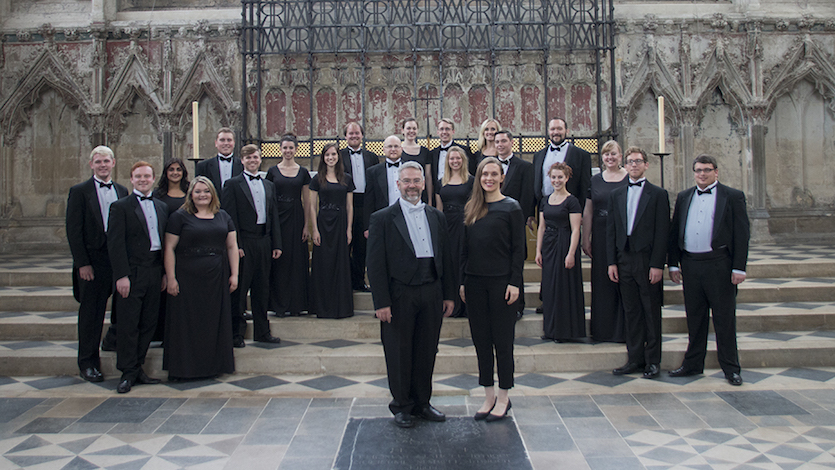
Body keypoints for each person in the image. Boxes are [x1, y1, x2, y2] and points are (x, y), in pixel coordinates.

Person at [367, 161, 456, 429]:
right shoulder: (382, 218)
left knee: (427, 349)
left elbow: (447, 258)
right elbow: (375, 264)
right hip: (399, 293)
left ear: (423, 183)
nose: (412, 186)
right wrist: (381, 301)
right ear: (398, 184)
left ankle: (422, 403)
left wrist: (449, 294)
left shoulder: (436, 216)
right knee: (398, 351)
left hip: (431, 290)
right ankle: (402, 405)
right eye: (406, 181)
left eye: (416, 181)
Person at [668, 154, 749, 386]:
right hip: (691, 265)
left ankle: (731, 368)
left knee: (724, 319)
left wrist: (739, 267)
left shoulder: (732, 196)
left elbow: (742, 234)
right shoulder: (684, 197)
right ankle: (693, 364)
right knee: (695, 318)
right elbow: (675, 232)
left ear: (716, 171)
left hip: (719, 265)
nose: (702, 174)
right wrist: (673, 263)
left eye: (706, 170)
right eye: (698, 170)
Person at [461, 158, 525, 422]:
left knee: (503, 342)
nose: (488, 178)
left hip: (501, 284)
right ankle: (488, 395)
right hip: (475, 283)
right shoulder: (472, 207)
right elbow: (465, 249)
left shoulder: (511, 208)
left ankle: (504, 396)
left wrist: (514, 282)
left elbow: (518, 250)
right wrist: (463, 281)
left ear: (501, 177)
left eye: (493, 174)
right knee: (481, 342)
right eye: (484, 174)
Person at [163, 176, 238, 379]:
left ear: (212, 194)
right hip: (187, 277)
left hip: (216, 277)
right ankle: (186, 368)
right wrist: (171, 277)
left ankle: (213, 366)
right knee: (188, 323)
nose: (202, 195)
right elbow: (169, 248)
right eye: (198, 191)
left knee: (212, 322)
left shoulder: (223, 216)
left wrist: (235, 275)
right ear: (191, 194)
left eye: (206, 191)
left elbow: (231, 246)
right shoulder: (180, 216)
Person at [606, 147, 670, 379]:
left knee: (651, 312)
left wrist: (657, 264)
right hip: (624, 259)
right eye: (630, 162)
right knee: (631, 311)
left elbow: (663, 232)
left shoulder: (658, 194)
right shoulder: (617, 194)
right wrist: (612, 262)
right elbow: (611, 230)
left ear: (646, 165)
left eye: (638, 161)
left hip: (647, 260)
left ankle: (653, 361)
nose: (633, 165)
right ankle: (634, 358)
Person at [66, 146, 128, 382]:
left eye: (106, 161)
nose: (103, 165)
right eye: (98, 161)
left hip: (118, 261)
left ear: (114, 163)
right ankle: (88, 363)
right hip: (93, 262)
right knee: (91, 314)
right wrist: (82, 263)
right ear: (91, 164)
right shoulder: (79, 191)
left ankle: (114, 345)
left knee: (122, 310)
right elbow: (73, 230)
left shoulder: (122, 191)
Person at [107, 161, 168, 393]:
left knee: (149, 322)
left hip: (154, 271)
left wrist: (163, 273)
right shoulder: (120, 207)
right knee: (128, 323)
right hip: (132, 272)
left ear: (153, 179)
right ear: (131, 179)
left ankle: (138, 366)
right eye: (138, 176)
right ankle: (127, 371)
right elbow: (115, 244)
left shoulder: (161, 207)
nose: (143, 180)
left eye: (147, 176)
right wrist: (121, 276)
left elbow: (163, 243)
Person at [222, 144, 283, 347]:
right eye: (248, 158)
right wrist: (236, 245)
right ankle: (235, 334)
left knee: (262, 288)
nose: (252, 160)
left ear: (260, 159)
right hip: (244, 242)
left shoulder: (269, 185)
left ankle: (262, 331)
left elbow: (273, 215)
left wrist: (276, 243)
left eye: (255, 157)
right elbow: (230, 217)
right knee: (240, 290)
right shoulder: (232, 184)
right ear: (242, 161)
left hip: (264, 241)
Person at [582, 141, 628, 343]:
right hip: (600, 234)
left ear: (621, 156)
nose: (610, 157)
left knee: (622, 280)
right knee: (601, 282)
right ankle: (602, 330)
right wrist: (586, 237)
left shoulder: (629, 178)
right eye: (606, 154)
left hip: (623, 234)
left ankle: (622, 330)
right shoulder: (595, 180)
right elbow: (588, 210)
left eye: (614, 154)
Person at [535, 162, 584, 342]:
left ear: (567, 178)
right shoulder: (545, 200)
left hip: (564, 244)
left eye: (560, 177)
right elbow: (541, 226)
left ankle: (564, 331)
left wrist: (571, 254)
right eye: (553, 177)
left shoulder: (572, 201)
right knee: (549, 288)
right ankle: (550, 329)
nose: (556, 180)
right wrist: (538, 251)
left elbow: (576, 229)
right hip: (548, 244)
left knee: (562, 287)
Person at [265, 133, 311, 317]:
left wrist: (307, 225)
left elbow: (307, 201)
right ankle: (279, 305)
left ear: (296, 149)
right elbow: (267, 200)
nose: (288, 151)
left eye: (291, 147)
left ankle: (297, 304)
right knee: (280, 261)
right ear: (280, 149)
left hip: (296, 217)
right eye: (285, 147)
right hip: (278, 218)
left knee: (297, 261)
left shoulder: (303, 172)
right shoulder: (272, 171)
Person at [309, 143, 355, 319]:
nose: (330, 158)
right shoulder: (317, 179)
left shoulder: (347, 178)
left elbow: (350, 206)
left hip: (341, 223)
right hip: (323, 224)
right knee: (323, 265)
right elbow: (313, 207)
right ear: (323, 158)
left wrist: (349, 229)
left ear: (338, 156)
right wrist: (315, 230)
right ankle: (322, 307)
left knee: (341, 264)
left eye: (333, 154)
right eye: (327, 155)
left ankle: (341, 308)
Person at [494, 130, 534, 319]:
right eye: (497, 142)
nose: (500, 145)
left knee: (516, 263)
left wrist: (521, 221)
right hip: (494, 223)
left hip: (514, 223)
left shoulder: (524, 167)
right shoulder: (490, 165)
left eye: (503, 141)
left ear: (511, 142)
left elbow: (526, 197)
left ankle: (519, 304)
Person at [151, 158, 190, 342]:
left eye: (178, 169)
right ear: (165, 173)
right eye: (171, 169)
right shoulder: (157, 195)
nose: (175, 173)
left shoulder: (190, 192)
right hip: (164, 245)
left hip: (186, 248)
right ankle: (162, 333)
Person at [339, 122, 380, 292]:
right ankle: (345, 281)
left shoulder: (372, 156)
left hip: (366, 204)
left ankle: (359, 281)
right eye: (351, 133)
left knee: (362, 245)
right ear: (345, 136)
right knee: (344, 244)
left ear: (362, 135)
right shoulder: (339, 155)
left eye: (357, 133)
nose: (354, 136)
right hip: (345, 203)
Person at [435, 146, 473, 318]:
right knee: (449, 261)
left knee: (462, 260)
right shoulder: (440, 181)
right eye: (452, 159)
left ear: (463, 160)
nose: (455, 161)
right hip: (447, 225)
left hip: (465, 224)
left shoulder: (471, 181)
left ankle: (465, 304)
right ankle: (450, 302)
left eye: (458, 158)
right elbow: (439, 207)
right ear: (447, 161)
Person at [533, 118, 592, 211]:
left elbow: (585, 186)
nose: (556, 132)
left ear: (567, 131)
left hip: (570, 208)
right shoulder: (538, 155)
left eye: (559, 129)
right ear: (548, 131)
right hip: (544, 207)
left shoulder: (581, 155)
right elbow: (535, 183)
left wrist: (581, 211)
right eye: (552, 129)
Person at [364, 135, 404, 235]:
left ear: (401, 149)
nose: (393, 149)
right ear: (384, 149)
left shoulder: (410, 169)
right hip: (383, 219)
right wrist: (368, 226)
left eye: (396, 146)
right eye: (390, 146)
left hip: (406, 217)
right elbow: (369, 201)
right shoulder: (373, 172)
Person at [429, 118, 472, 207]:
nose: (444, 132)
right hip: (439, 196)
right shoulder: (432, 153)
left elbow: (471, 171)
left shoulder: (465, 150)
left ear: (453, 131)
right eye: (441, 129)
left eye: (447, 129)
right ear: (438, 132)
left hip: (460, 196)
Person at [400, 117, 432, 202]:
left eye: (414, 128)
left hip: (421, 194)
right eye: (408, 128)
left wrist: (429, 200)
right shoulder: (398, 150)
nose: (411, 131)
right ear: (402, 130)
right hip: (404, 194)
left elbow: (428, 176)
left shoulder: (425, 151)